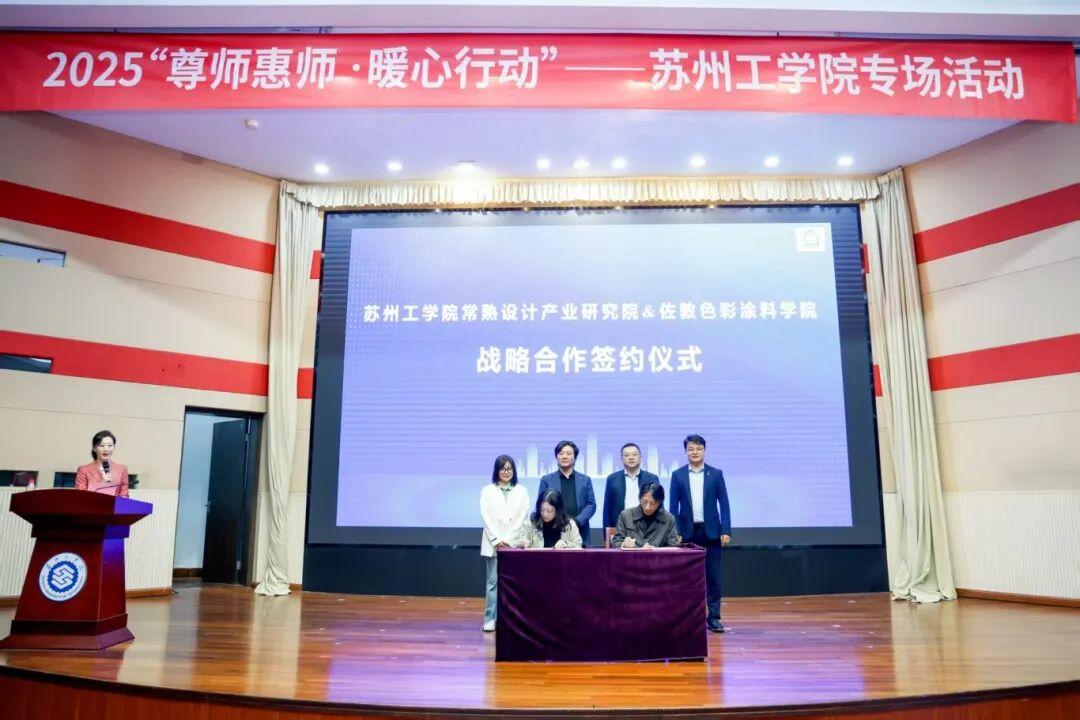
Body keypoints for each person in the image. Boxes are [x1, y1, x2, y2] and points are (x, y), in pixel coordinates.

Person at [669, 434, 731, 633]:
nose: (695, 452)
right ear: (685, 452)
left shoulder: (716, 474)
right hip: (687, 533)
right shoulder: (678, 475)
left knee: (713, 578)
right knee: (688, 579)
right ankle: (690, 618)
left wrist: (726, 530)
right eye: (691, 449)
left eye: (698, 449)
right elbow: (673, 507)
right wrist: (675, 531)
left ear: (704, 450)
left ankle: (714, 618)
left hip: (711, 532)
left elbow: (724, 504)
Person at [479, 454, 530, 633]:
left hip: (513, 544)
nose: (506, 472)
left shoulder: (521, 491)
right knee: (492, 583)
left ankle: (512, 620)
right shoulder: (487, 490)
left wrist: (508, 540)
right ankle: (490, 619)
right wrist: (497, 539)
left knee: (514, 583)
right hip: (493, 544)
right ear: (497, 471)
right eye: (502, 468)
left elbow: (523, 517)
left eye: (509, 468)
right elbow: (485, 517)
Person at [538, 440, 596, 546]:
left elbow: (591, 505)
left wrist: (577, 522)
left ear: (575, 457)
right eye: (561, 453)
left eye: (568, 454)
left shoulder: (585, 480)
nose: (564, 456)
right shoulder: (546, 480)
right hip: (553, 531)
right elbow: (541, 504)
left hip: (580, 529)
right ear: (556, 457)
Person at [602, 442, 660, 543]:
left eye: (634, 454)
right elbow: (607, 508)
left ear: (640, 457)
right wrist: (606, 535)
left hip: (647, 527)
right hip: (621, 527)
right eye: (626, 455)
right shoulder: (612, 479)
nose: (631, 458)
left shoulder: (652, 478)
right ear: (621, 459)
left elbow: (659, 504)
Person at [612, 482, 681, 550]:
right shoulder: (625, 516)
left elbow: (673, 547)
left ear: (659, 503)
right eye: (645, 502)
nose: (647, 507)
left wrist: (656, 551)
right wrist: (624, 545)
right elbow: (616, 541)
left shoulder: (669, 519)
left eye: (653, 503)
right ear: (640, 499)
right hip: (632, 557)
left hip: (657, 557)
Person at [515, 489, 583, 549]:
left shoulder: (569, 524)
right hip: (536, 560)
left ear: (558, 510)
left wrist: (566, 544)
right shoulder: (530, 523)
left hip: (562, 560)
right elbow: (519, 541)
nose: (545, 514)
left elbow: (579, 546)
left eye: (550, 511)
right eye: (542, 510)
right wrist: (521, 543)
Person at [75, 430, 130, 498]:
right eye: (102, 445)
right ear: (94, 448)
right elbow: (80, 497)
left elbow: (124, 496)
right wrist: (101, 484)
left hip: (114, 505)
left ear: (114, 447)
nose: (106, 449)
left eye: (110, 445)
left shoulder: (122, 469)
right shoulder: (83, 470)